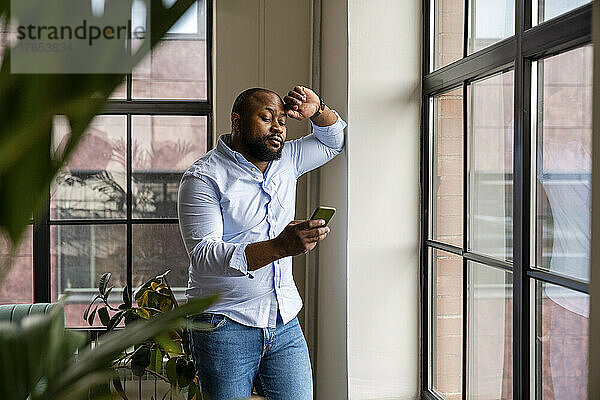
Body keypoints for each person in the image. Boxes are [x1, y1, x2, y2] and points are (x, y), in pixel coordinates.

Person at [178, 85, 347, 400]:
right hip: (223, 323)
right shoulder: (203, 178)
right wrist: (281, 248)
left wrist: (318, 108)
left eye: (282, 121)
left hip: (283, 321)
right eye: (267, 119)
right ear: (237, 122)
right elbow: (204, 256)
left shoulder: (288, 159)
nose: (278, 128)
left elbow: (333, 141)